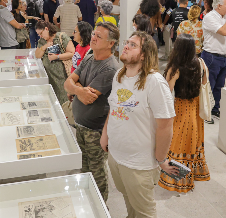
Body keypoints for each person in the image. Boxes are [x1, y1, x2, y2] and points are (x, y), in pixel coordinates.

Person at [101, 31, 177, 217]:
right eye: (127, 42)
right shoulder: (120, 74)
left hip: (139, 163)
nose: (125, 46)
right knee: (129, 201)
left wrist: (160, 159)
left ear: (144, 54)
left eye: (133, 45)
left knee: (144, 211)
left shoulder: (155, 82)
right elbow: (114, 107)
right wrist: (105, 135)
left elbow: (166, 125)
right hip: (116, 156)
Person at [64, 22, 120, 201]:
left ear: (111, 43)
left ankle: (100, 207)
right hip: (80, 125)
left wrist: (76, 87)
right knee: (84, 168)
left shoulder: (111, 67)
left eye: (99, 36)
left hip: (95, 130)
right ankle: (87, 202)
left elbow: (90, 97)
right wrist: (79, 89)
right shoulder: (89, 56)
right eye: (94, 34)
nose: (93, 38)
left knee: (97, 173)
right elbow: (68, 83)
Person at [159, 34, 210, 193]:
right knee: (193, 141)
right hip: (195, 108)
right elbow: (204, 82)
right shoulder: (200, 62)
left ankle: (178, 177)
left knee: (177, 142)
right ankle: (193, 172)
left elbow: (167, 91)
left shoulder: (175, 68)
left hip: (180, 108)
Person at [201, 0, 226, 119]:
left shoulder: (224, 17)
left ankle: (215, 108)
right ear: (219, 5)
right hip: (211, 57)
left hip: (224, 57)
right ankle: (206, 111)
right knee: (209, 85)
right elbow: (224, 32)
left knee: (219, 86)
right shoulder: (210, 17)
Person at [35, 21, 75, 104]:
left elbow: (72, 52)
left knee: (63, 98)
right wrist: (45, 46)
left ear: (46, 29)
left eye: (41, 33)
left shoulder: (61, 37)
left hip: (62, 76)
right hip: (49, 76)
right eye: (38, 34)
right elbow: (37, 55)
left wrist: (57, 57)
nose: (40, 36)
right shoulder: (42, 41)